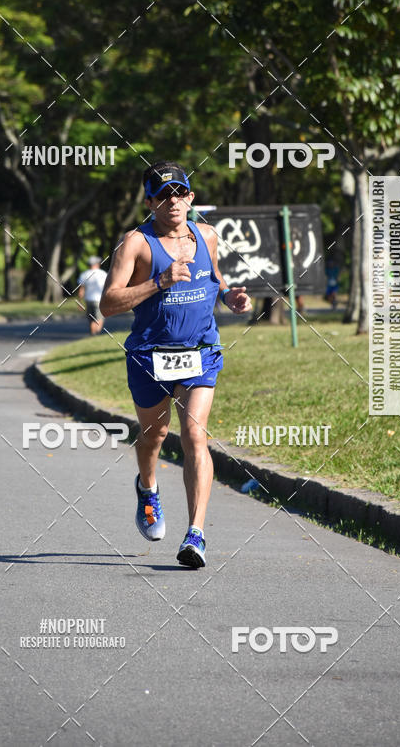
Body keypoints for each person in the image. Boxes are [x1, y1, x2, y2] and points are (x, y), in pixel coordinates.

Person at [100, 160, 252, 568]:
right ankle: (147, 488)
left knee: (195, 435)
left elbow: (214, 277)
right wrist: (158, 282)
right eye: (163, 195)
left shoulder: (207, 235)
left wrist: (230, 297)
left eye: (179, 193)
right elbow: (108, 303)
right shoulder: (135, 243)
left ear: (190, 197)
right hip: (150, 356)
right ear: (150, 202)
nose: (173, 201)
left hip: (200, 351)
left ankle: (195, 535)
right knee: (154, 436)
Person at [77, 256, 107, 335]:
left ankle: (93, 334)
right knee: (100, 318)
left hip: (88, 300)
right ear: (97, 264)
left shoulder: (84, 274)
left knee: (92, 319)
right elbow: (106, 287)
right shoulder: (102, 273)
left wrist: (79, 302)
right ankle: (97, 333)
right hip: (99, 300)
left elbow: (81, 290)